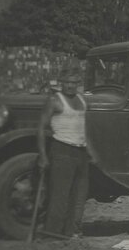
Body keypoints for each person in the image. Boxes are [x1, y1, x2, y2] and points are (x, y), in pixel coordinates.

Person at [37, 71, 94, 237]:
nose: (70, 86)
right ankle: (52, 234)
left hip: (80, 152)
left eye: (74, 82)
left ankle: (70, 233)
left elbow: (84, 129)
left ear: (78, 83)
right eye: (67, 82)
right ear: (61, 83)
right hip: (62, 150)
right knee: (59, 196)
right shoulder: (55, 100)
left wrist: (91, 153)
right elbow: (41, 128)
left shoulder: (82, 100)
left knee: (78, 196)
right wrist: (43, 156)